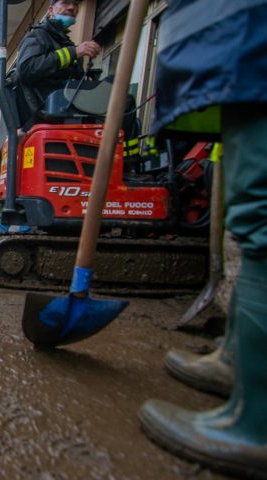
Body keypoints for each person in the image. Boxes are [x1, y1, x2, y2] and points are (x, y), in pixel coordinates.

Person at [137, 2, 267, 477]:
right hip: (241, 42)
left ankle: (253, 422)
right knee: (250, 199)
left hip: (250, 40)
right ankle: (238, 362)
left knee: (261, 212)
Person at [12, 0, 100, 131]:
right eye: (65, 2)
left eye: (75, 4)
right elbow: (26, 68)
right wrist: (73, 52)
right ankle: (129, 151)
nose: (72, 7)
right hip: (47, 109)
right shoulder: (38, 36)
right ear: (51, 10)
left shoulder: (63, 41)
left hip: (64, 105)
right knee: (123, 102)